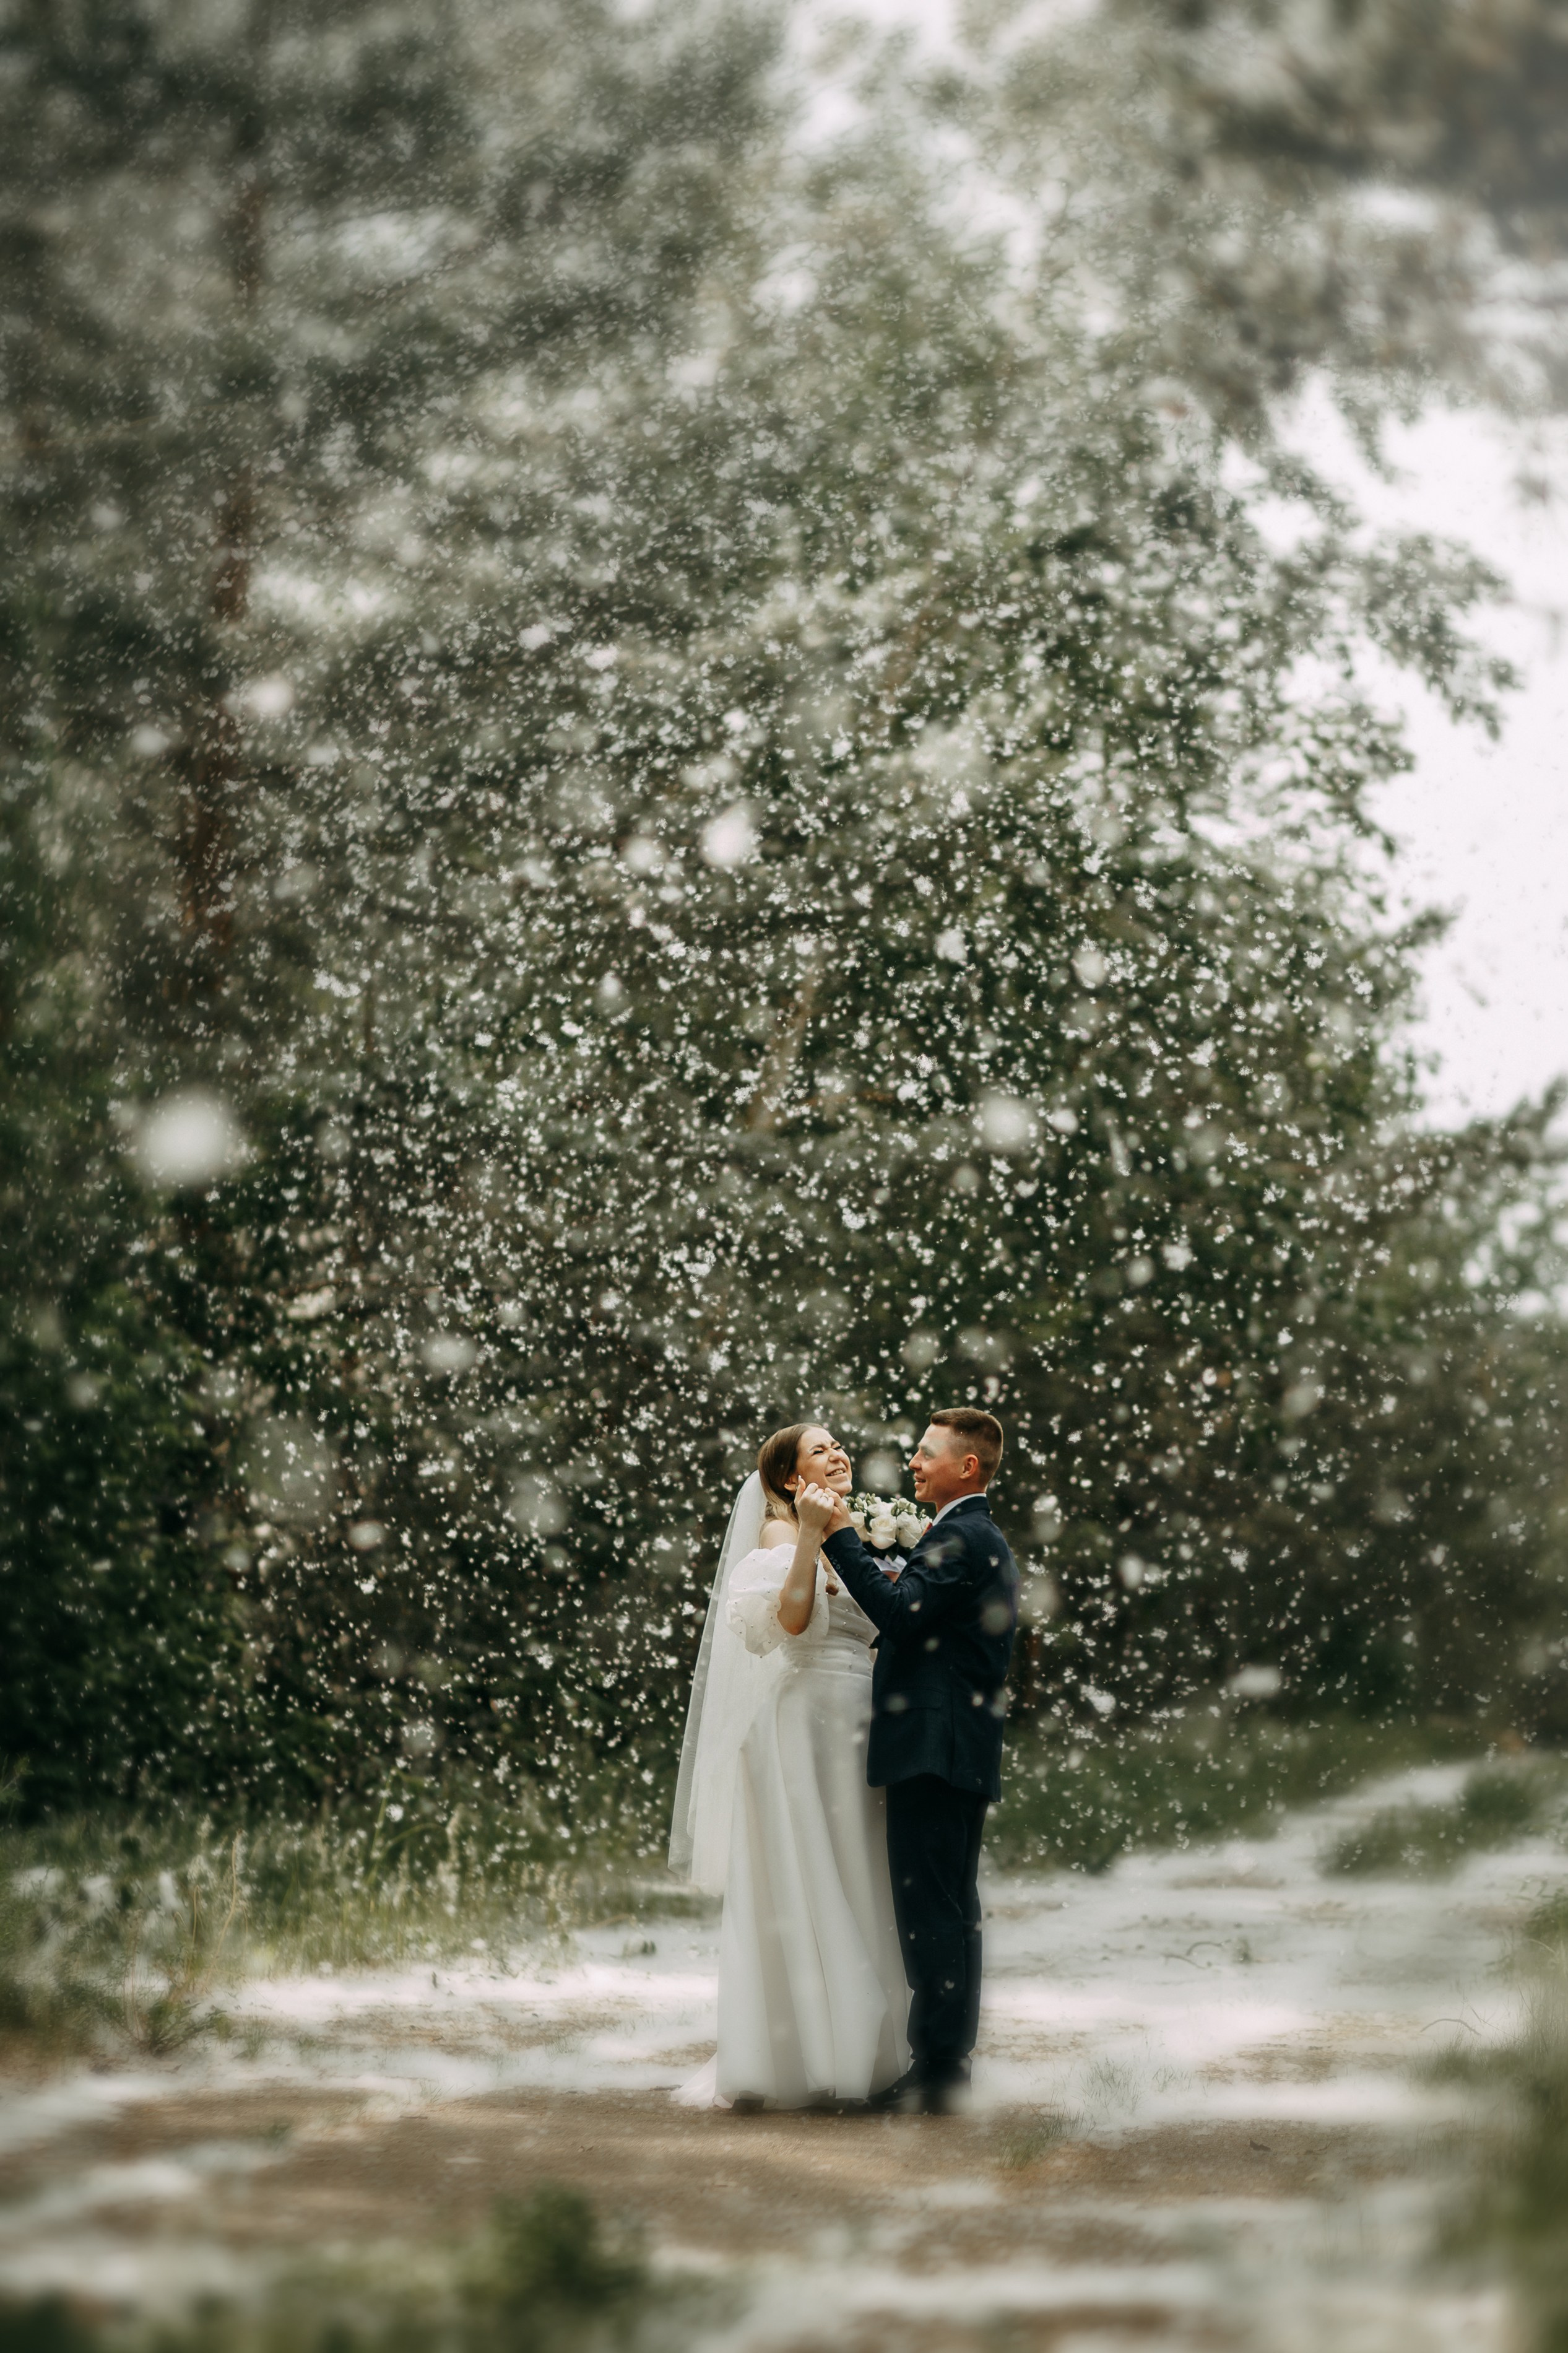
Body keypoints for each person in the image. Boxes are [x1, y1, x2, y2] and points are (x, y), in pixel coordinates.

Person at [668, 1423, 911, 2108]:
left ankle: (867, 2051)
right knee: (807, 1873)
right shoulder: (779, 1533)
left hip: (862, 1718)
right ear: (786, 1478)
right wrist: (807, 1535)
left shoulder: (861, 1536)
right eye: (819, 1450)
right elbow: (794, 1621)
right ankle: (809, 2055)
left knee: (861, 1869)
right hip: (806, 1719)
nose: (837, 1454)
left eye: (838, 1446)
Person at [795, 1406, 1016, 2115]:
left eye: (927, 1452)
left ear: (967, 1466)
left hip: (934, 1747)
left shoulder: (962, 1535)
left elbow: (899, 1613)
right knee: (949, 1908)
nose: (913, 1462)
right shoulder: (973, 1533)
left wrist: (840, 1534)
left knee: (932, 1911)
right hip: (953, 1744)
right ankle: (945, 2067)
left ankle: (937, 2071)